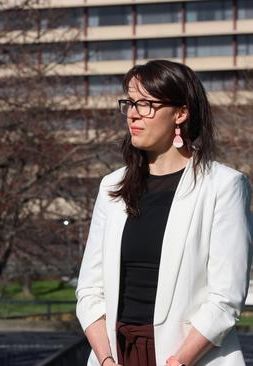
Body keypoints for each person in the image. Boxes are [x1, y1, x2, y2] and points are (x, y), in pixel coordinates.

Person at [76, 59, 252, 366]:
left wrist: (178, 361)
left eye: (145, 104)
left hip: (189, 358)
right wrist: (104, 358)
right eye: (129, 103)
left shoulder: (224, 186)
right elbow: (90, 290)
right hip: (115, 354)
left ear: (181, 113)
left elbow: (225, 298)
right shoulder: (111, 186)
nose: (133, 113)